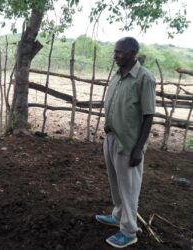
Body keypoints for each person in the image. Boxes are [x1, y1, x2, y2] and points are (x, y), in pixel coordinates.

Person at [95, 37, 156, 248]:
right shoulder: (118, 76)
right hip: (111, 138)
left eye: (119, 52)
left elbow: (149, 116)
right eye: (115, 51)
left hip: (129, 144)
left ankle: (129, 231)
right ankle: (118, 216)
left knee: (129, 188)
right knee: (115, 184)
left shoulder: (144, 79)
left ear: (133, 53)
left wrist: (138, 148)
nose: (115, 55)